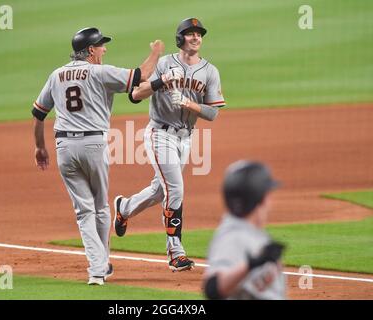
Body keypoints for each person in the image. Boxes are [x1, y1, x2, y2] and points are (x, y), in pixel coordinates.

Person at [31, 27, 164, 285]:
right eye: (101, 45)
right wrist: (156, 52)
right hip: (93, 145)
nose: (105, 49)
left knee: (83, 212)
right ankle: (98, 269)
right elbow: (141, 76)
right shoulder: (99, 72)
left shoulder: (56, 74)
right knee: (101, 207)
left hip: (64, 149)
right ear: (91, 50)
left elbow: (38, 113)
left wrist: (39, 147)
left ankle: (99, 267)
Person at [113, 18, 225, 272]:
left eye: (199, 34)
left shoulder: (210, 71)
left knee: (161, 189)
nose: (196, 38)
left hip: (186, 137)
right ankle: (175, 252)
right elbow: (134, 95)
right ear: (180, 39)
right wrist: (160, 81)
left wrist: (189, 104)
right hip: (159, 134)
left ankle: (124, 207)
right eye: (190, 34)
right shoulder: (164, 64)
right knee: (175, 188)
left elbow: (213, 113)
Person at [203, 160, 286, 300]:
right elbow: (213, 288)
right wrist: (250, 264)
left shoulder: (251, 233)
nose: (269, 202)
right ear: (258, 198)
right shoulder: (233, 236)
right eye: (267, 194)